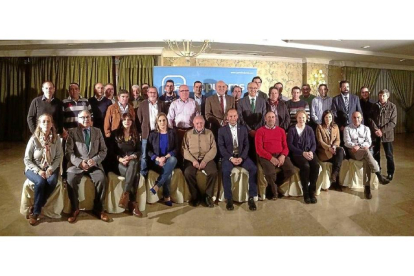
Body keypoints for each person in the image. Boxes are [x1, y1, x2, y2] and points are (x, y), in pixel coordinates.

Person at [65, 110, 110, 223]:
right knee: (70, 179)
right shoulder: (72, 132)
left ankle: (99, 209)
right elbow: (68, 152)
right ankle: (75, 209)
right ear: (78, 120)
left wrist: (94, 161)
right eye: (83, 118)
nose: (86, 119)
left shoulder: (97, 131)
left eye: (88, 117)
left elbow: (104, 150)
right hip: (77, 165)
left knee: (102, 179)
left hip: (94, 164)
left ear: (91, 118)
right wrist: (80, 163)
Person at [23, 114, 62, 226]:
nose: (46, 123)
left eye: (48, 121)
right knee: (40, 182)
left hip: (50, 167)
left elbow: (58, 156)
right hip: (33, 168)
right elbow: (27, 159)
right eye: (43, 121)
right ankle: (36, 213)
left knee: (52, 181)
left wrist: (50, 169)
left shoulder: (56, 139)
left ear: (52, 124)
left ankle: (36, 205)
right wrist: (39, 171)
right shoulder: (34, 139)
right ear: (39, 124)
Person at [344, 111, 390, 199]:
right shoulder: (347, 128)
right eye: (354, 117)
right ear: (351, 118)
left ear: (361, 119)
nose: (356, 119)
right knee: (367, 152)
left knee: (366, 160)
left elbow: (368, 142)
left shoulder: (366, 129)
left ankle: (367, 188)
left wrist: (360, 146)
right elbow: (347, 142)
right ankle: (379, 175)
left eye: (358, 117)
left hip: (363, 150)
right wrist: (355, 146)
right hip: (353, 152)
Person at [218, 109, 257, 211]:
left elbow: (246, 145)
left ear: (237, 117)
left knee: (253, 169)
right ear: (227, 118)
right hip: (229, 157)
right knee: (225, 171)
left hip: (241, 156)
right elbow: (221, 147)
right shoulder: (222, 130)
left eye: (234, 116)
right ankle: (229, 198)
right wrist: (231, 158)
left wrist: (242, 157)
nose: (232, 118)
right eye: (230, 116)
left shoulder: (243, 129)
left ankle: (252, 197)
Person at [255, 111, 296, 199]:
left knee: (291, 170)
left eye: (273, 117)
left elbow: (286, 147)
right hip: (266, 156)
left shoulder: (281, 131)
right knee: (270, 173)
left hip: (280, 154)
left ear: (275, 119)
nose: (271, 119)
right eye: (269, 117)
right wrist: (271, 158)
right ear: (265, 119)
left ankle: (274, 186)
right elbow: (259, 150)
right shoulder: (260, 131)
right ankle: (274, 192)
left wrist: (283, 156)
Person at [182, 116, 218, 208]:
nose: (199, 125)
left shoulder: (209, 133)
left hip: (206, 158)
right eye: (197, 123)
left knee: (213, 172)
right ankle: (196, 196)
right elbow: (184, 150)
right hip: (192, 159)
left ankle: (208, 196)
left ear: (204, 123)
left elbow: (213, 149)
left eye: (201, 123)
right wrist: (193, 161)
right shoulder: (188, 134)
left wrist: (205, 161)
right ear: (193, 124)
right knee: (188, 172)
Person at [112, 113, 142, 217]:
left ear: (132, 122)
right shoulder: (115, 134)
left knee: (134, 163)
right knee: (136, 175)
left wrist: (131, 157)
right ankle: (133, 203)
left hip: (131, 162)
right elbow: (111, 152)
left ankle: (125, 195)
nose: (127, 121)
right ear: (121, 121)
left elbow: (139, 151)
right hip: (119, 164)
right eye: (124, 119)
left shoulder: (136, 134)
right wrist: (120, 159)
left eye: (129, 119)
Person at [287, 110, 320, 204]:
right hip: (297, 154)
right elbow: (290, 145)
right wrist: (302, 153)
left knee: (316, 165)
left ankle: (312, 191)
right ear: (296, 118)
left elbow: (314, 143)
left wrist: (311, 152)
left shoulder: (309, 129)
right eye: (299, 117)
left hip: (310, 153)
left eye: (303, 117)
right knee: (306, 166)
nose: (301, 119)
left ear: (306, 119)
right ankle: (305, 192)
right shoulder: (292, 130)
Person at [61, 83, 93, 181]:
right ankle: (66, 176)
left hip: (83, 133)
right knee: (68, 155)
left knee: (82, 153)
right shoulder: (64, 102)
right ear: (68, 91)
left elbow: (91, 116)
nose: (74, 91)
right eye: (71, 89)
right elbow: (60, 118)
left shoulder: (85, 101)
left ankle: (84, 171)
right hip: (69, 134)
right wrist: (63, 131)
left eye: (76, 89)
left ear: (79, 90)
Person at [147, 113, 178, 207]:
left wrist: (166, 157)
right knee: (167, 172)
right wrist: (157, 158)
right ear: (157, 122)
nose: (162, 122)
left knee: (173, 160)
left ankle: (157, 185)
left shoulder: (172, 132)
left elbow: (176, 149)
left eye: (164, 120)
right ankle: (166, 196)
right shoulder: (153, 134)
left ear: (167, 121)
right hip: (156, 160)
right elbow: (148, 150)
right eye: (160, 120)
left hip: (168, 159)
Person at [136, 86, 166, 177]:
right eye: (151, 92)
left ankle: (158, 172)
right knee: (144, 155)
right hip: (146, 133)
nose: (153, 94)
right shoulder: (142, 104)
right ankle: (143, 174)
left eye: (154, 93)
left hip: (158, 133)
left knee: (157, 153)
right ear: (147, 93)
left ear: (157, 94)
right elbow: (138, 120)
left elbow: (165, 118)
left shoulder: (162, 104)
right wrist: (140, 132)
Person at [167, 84, 199, 165]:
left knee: (190, 151)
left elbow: (198, 118)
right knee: (178, 151)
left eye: (186, 90)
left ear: (189, 92)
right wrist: (172, 132)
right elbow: (169, 119)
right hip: (178, 131)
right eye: (182, 91)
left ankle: (188, 168)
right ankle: (179, 169)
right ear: (179, 92)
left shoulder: (194, 103)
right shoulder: (174, 104)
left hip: (191, 131)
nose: (184, 92)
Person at [369, 89, 397, 181]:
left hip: (387, 135)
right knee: (376, 153)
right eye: (380, 95)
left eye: (383, 95)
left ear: (387, 96)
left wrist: (382, 130)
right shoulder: (374, 106)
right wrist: (376, 130)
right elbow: (370, 118)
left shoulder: (392, 106)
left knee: (389, 155)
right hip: (375, 134)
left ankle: (390, 172)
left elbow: (393, 122)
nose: (381, 97)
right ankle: (378, 171)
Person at [237, 81, 267, 161]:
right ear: (247, 89)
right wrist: (249, 130)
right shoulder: (241, 101)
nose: (253, 90)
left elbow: (264, 116)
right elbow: (240, 117)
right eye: (251, 88)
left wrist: (257, 130)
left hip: (259, 131)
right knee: (248, 152)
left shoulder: (262, 101)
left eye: (255, 88)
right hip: (245, 132)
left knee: (259, 152)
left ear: (257, 89)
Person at [315, 110, 344, 191]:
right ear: (323, 118)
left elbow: (338, 140)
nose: (328, 119)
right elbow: (320, 141)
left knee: (340, 151)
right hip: (324, 151)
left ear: (332, 118)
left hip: (334, 150)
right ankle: (336, 182)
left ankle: (334, 174)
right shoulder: (319, 127)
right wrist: (329, 148)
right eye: (326, 117)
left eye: (330, 117)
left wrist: (334, 146)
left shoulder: (335, 127)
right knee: (337, 158)